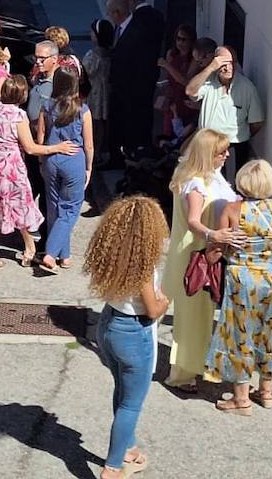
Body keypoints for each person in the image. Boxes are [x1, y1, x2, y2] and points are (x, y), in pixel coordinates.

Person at [205, 159, 272, 413]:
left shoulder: (232, 210)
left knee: (240, 334)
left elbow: (213, 255)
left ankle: (241, 398)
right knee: (268, 331)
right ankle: (266, 392)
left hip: (243, 278)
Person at [84, 195, 169, 479]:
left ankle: (128, 447)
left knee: (121, 391)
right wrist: (165, 301)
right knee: (132, 403)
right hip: (134, 333)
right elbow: (154, 309)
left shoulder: (113, 255)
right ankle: (113, 467)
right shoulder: (143, 267)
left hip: (108, 324)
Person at [161, 128, 241, 390]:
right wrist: (214, 234)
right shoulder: (196, 183)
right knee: (193, 316)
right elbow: (194, 221)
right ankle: (182, 375)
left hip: (201, 251)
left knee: (200, 314)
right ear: (208, 154)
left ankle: (192, 367)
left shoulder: (206, 176)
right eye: (221, 152)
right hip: (195, 253)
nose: (226, 155)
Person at [0, 74, 68, 269]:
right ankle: (29, 250)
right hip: (11, 167)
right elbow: (30, 147)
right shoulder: (18, 115)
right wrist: (55, 148)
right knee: (21, 207)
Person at [36, 70, 92, 272]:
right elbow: (89, 145)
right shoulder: (83, 110)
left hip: (51, 159)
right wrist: (89, 167)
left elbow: (40, 138)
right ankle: (51, 253)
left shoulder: (46, 107)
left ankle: (64, 254)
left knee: (54, 208)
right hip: (74, 160)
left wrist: (42, 162)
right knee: (70, 208)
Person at [185, 45, 266, 174]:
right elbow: (190, 90)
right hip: (206, 145)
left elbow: (257, 122)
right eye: (223, 63)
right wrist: (210, 68)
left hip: (232, 147)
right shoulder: (209, 81)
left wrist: (240, 135)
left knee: (229, 187)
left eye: (231, 63)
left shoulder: (247, 87)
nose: (227, 67)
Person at [109, 0, 165, 158]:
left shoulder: (139, 20)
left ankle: (135, 152)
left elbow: (131, 52)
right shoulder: (156, 16)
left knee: (133, 119)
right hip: (145, 78)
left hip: (133, 81)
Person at [156, 23, 197, 143]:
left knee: (183, 135)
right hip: (172, 98)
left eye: (184, 40)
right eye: (178, 39)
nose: (180, 43)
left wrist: (167, 66)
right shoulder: (172, 54)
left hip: (185, 99)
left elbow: (186, 81)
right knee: (168, 133)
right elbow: (166, 78)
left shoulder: (194, 59)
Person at [83, 19, 114, 163]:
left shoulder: (94, 55)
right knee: (105, 122)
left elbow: (87, 71)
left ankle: (95, 150)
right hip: (107, 91)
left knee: (95, 122)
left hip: (95, 92)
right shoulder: (111, 53)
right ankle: (103, 149)